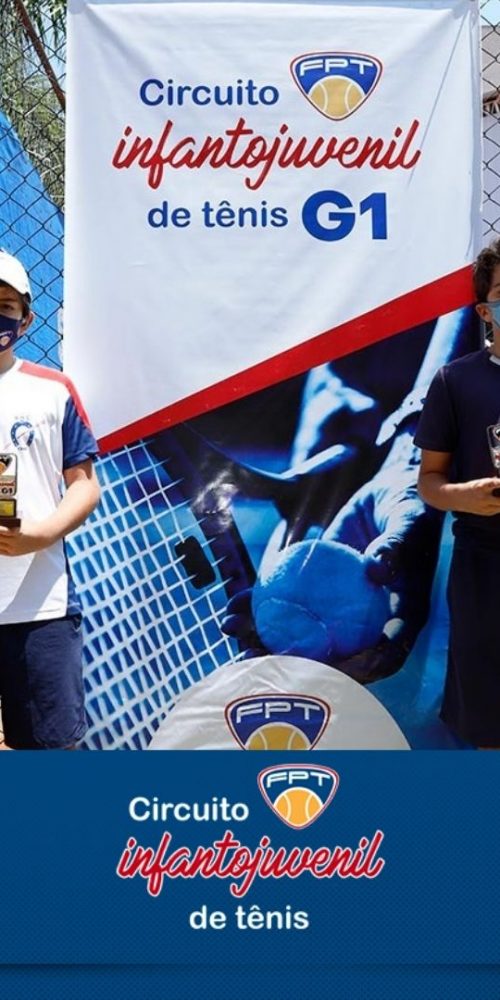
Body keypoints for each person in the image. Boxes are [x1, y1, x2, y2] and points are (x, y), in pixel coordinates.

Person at [0, 249, 100, 750]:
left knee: (47, 753)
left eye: (5, 305)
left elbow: (84, 483)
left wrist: (40, 534)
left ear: (26, 318)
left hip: (40, 605)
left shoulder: (53, 391)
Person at [415, 238, 500, 749]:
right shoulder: (455, 381)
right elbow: (429, 480)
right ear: (484, 310)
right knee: (487, 716)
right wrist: (462, 495)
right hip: (484, 565)